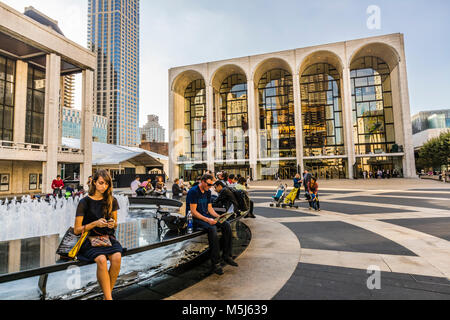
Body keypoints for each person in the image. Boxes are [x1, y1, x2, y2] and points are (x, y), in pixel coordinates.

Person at [73, 170, 122, 300]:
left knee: (117, 257)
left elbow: (115, 223)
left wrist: (112, 224)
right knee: (101, 260)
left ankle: (107, 296)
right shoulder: (84, 202)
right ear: (94, 182)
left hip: (107, 238)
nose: (104, 186)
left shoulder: (112, 200)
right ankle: (109, 298)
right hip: (89, 239)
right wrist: (94, 223)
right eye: (101, 183)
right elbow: (77, 230)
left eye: (106, 184)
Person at [186, 174, 238, 275]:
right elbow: (193, 212)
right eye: (209, 184)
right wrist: (208, 219)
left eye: (212, 184)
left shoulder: (208, 192)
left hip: (206, 216)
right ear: (202, 181)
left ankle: (227, 256)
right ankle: (215, 263)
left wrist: (219, 217)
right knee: (212, 229)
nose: (210, 187)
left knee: (226, 224)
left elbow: (209, 209)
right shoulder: (193, 192)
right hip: (195, 219)